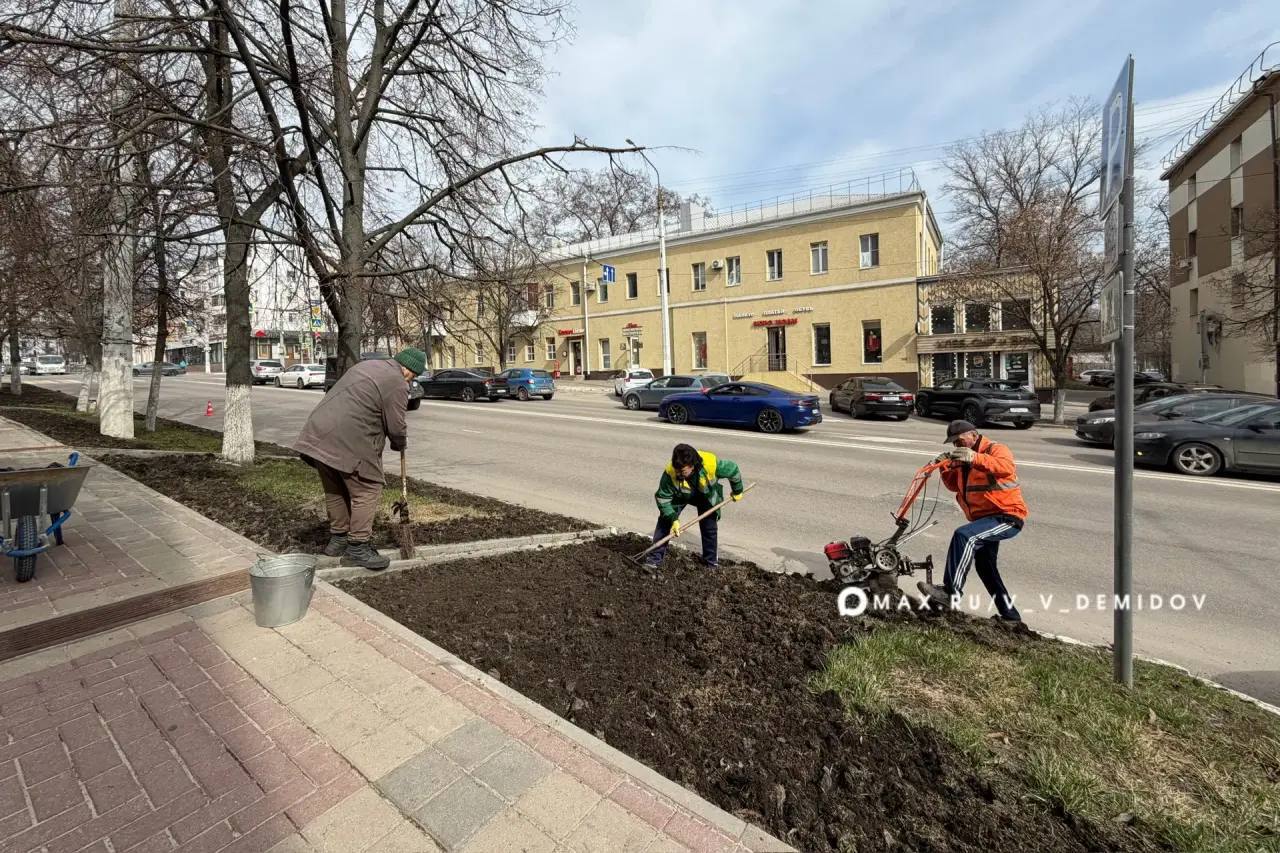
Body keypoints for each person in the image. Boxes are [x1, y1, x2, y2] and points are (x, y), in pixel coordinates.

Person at [294, 349, 426, 570]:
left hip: (317, 434)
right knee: (368, 487)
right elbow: (395, 425)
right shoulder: (397, 381)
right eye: (413, 376)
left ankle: (338, 541)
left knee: (335, 487)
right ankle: (357, 547)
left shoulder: (366, 365)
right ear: (408, 370)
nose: (411, 380)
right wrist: (400, 442)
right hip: (348, 439)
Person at [918, 419, 1027, 622]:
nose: (957, 446)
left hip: (1007, 515)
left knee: (964, 536)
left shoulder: (995, 449)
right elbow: (953, 486)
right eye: (954, 443)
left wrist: (975, 457)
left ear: (973, 435)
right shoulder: (962, 458)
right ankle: (1011, 616)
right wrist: (944, 467)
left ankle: (950, 594)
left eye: (960, 441)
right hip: (983, 519)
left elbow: (1005, 468)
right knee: (985, 568)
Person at [645, 443, 744, 569]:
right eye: (677, 470)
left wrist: (737, 491)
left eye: (682, 471)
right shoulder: (671, 473)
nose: (679, 474)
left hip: (706, 495)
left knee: (709, 528)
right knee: (664, 522)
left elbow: (733, 469)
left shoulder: (710, 464)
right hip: (680, 495)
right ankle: (654, 560)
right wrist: (673, 518)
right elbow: (663, 498)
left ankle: (711, 563)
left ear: (692, 466)